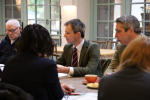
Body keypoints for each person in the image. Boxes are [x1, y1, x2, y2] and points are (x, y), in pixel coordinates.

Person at [1, 24, 71, 100]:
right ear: (44, 43)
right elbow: (58, 96)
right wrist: (58, 88)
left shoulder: (9, 62)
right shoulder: (48, 65)